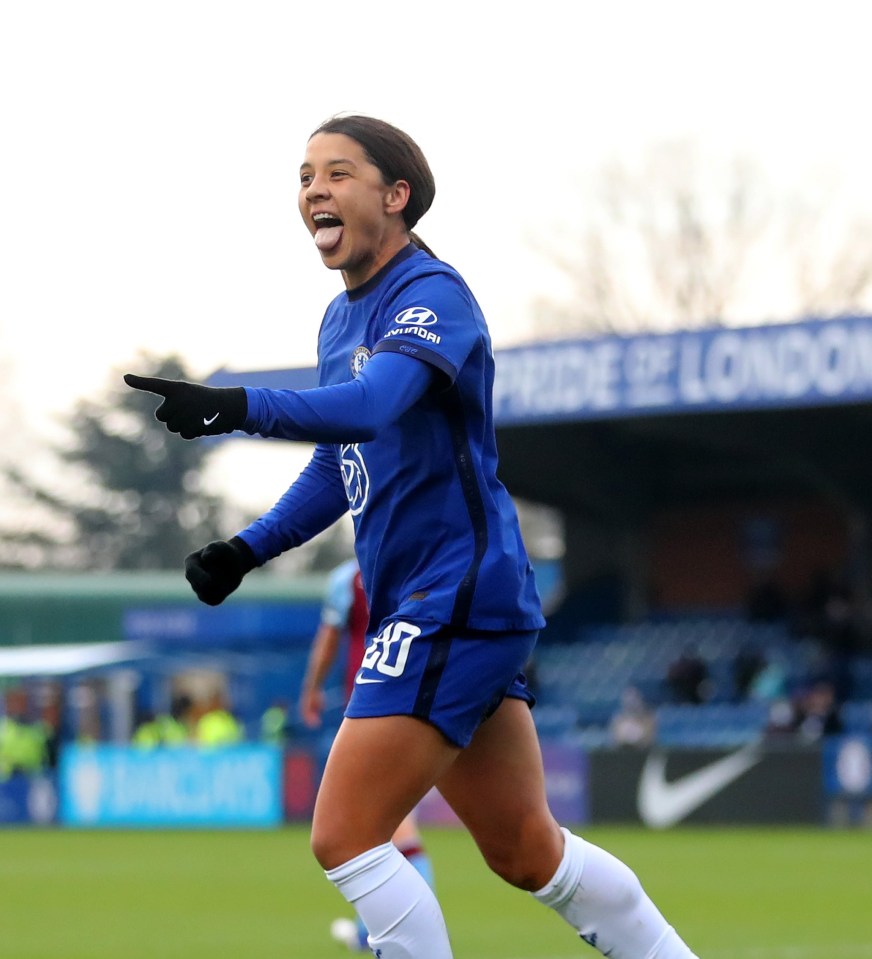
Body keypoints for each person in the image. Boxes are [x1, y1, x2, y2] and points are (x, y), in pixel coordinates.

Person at [125, 114, 699, 958]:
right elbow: (338, 463)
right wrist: (248, 548)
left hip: (455, 591)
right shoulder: (337, 322)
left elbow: (370, 405)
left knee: (347, 833)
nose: (314, 189)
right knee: (525, 850)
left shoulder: (433, 295)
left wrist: (237, 406)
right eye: (305, 175)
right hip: (444, 600)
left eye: (338, 173)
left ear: (396, 196)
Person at [300, 557, 436, 952]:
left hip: (372, 705)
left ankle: (404, 937)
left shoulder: (349, 577)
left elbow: (328, 638)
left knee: (370, 830)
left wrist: (312, 688)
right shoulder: (426, 564)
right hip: (426, 699)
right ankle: (371, 932)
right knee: (378, 828)